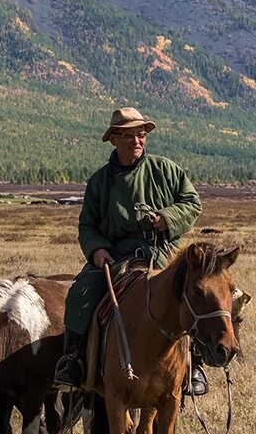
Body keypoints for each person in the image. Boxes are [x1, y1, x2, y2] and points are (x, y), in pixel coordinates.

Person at [54, 107, 207, 394]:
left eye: (140, 134)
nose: (135, 140)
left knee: (193, 295)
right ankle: (74, 360)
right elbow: (87, 224)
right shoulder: (99, 182)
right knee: (80, 294)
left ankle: (193, 364)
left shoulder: (166, 170)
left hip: (162, 251)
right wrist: (97, 250)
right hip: (116, 255)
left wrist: (167, 218)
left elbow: (192, 203)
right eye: (127, 135)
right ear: (113, 139)